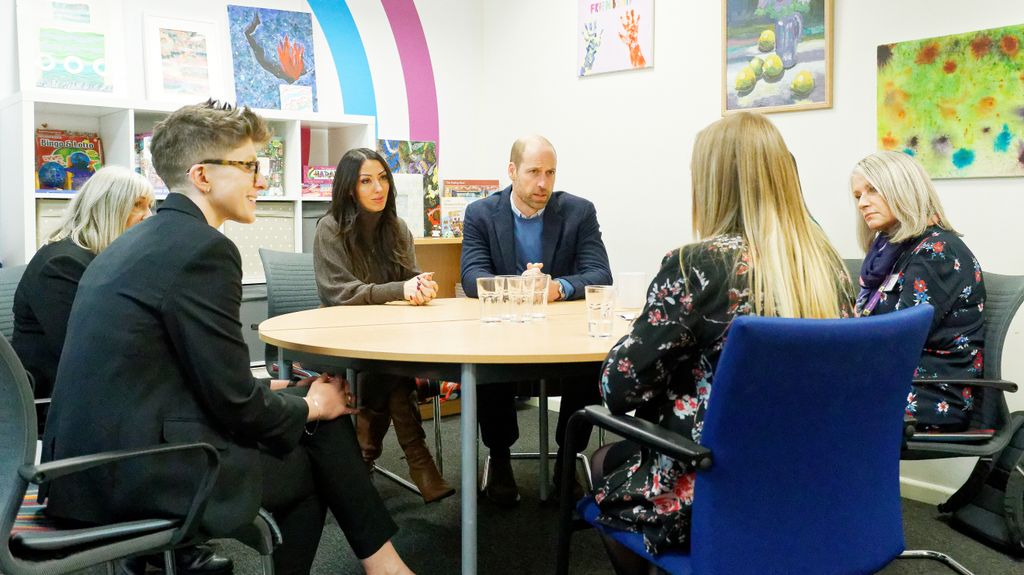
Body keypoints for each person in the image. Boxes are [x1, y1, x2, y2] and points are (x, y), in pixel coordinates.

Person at [40, 101, 414, 575]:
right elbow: (234, 403)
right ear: (202, 176)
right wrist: (312, 406)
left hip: (85, 466)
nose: (261, 181)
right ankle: (385, 566)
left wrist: (287, 395)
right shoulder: (204, 251)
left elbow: (185, 375)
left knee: (312, 416)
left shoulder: (142, 240)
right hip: (137, 473)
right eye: (249, 167)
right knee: (316, 449)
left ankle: (385, 566)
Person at [593, 112, 853, 569]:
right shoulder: (824, 263)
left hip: (719, 485)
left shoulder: (700, 265)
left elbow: (619, 389)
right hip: (813, 480)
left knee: (601, 460)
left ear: (713, 182)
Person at [460, 135, 612, 506]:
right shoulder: (481, 213)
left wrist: (557, 287)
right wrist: (520, 287)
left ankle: (567, 458)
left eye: (550, 173)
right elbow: (471, 276)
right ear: (512, 171)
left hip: (562, 337)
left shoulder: (579, 212)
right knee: (484, 362)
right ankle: (499, 458)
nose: (543, 183)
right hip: (505, 332)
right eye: (533, 172)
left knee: (591, 358)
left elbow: (600, 273)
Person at [313, 147, 454, 503]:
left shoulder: (397, 228)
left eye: (382, 179)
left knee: (388, 368)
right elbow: (340, 294)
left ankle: (363, 461)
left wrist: (423, 285)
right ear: (349, 188)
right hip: (340, 340)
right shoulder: (329, 229)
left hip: (389, 337)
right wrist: (400, 289)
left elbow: (409, 276)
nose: (378, 188)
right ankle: (419, 462)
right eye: (366, 181)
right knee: (389, 371)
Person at [850, 151, 985, 431]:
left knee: (809, 397)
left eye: (873, 190)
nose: (863, 203)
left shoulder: (937, 251)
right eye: (857, 195)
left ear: (903, 188)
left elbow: (898, 339)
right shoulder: (894, 251)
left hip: (932, 391)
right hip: (895, 379)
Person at [13, 166, 154, 406]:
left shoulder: (102, 259)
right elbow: (91, 353)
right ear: (107, 208)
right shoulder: (62, 265)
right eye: (138, 205)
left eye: (150, 206)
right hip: (58, 404)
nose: (149, 216)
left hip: (100, 391)